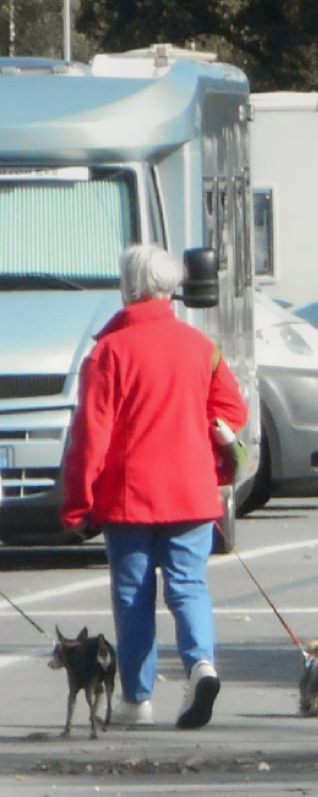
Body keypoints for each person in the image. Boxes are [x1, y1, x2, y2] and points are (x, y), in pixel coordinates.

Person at [59, 244, 247, 730]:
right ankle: (201, 665)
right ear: (169, 289)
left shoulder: (109, 351)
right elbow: (234, 410)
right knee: (187, 585)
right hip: (191, 491)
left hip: (130, 498)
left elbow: (90, 437)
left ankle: (137, 698)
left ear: (129, 287)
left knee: (133, 594)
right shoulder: (200, 346)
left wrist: (78, 504)